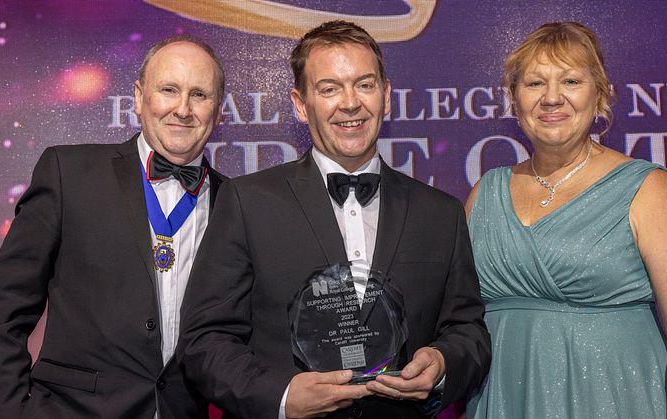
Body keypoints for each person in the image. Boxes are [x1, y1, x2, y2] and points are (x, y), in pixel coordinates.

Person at [177, 20, 491, 419]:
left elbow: (470, 331)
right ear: (299, 103)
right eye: (329, 89)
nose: (350, 103)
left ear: (386, 94)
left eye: (364, 84)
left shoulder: (441, 212)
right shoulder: (247, 202)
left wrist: (443, 363)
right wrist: (282, 395)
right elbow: (205, 339)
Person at [465, 21, 667, 418]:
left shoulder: (649, 190)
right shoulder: (484, 194)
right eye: (534, 84)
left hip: (616, 400)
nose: (552, 98)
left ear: (600, 94)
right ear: (513, 99)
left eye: (570, 81)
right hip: (503, 401)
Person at [0, 35, 228, 419]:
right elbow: (1, 312)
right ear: (140, 97)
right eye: (169, 90)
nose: (183, 108)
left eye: (199, 95)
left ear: (218, 110)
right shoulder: (68, 173)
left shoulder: (236, 202)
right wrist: (9, 411)